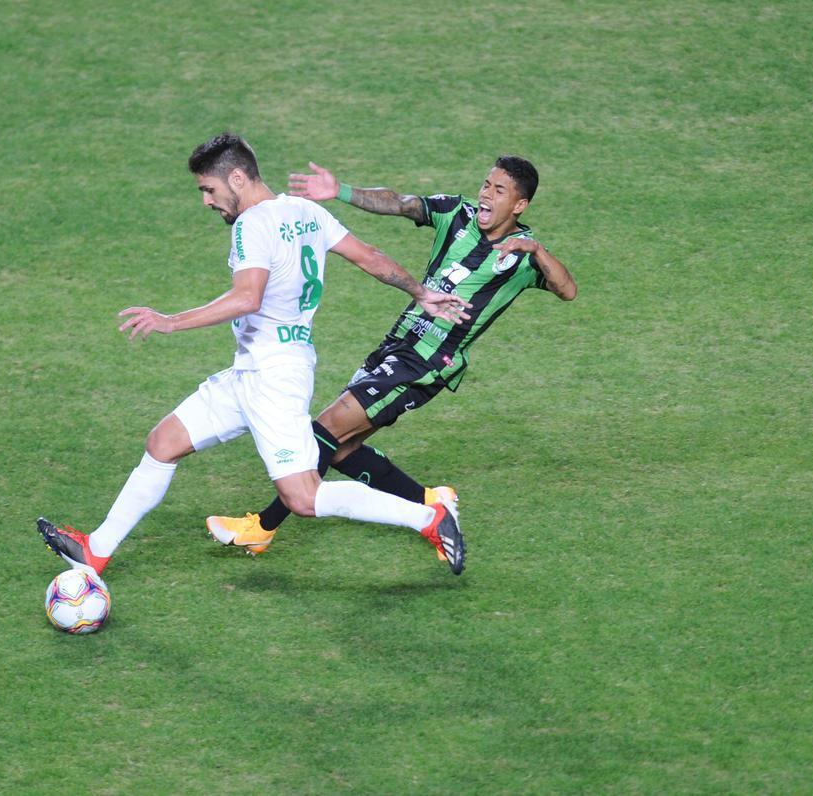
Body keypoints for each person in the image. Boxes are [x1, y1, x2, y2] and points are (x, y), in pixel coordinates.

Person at [37, 133, 472, 576]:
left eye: (209, 189)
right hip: (254, 370)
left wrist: (171, 320)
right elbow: (370, 257)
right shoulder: (306, 211)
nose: (207, 201)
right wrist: (420, 292)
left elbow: (248, 297)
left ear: (239, 178)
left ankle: (429, 517)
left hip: (274, 376)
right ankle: (97, 549)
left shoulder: (253, 223)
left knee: (303, 497)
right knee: (163, 443)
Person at [206, 156, 576, 560]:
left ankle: (262, 527)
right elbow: (400, 203)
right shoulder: (458, 213)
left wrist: (537, 250)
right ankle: (432, 503)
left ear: (519, 206)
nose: (486, 193)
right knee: (343, 450)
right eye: (487, 184)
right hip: (397, 344)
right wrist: (341, 191)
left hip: (425, 364)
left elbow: (567, 289)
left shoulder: (523, 256)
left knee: (325, 429)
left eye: (499, 190)